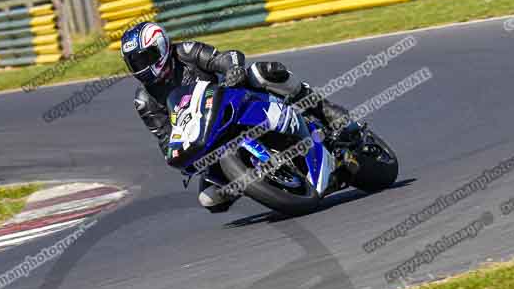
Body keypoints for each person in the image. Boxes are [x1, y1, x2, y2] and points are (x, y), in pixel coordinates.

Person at [120, 22, 353, 213]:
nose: (141, 67)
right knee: (209, 198)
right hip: (207, 139)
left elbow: (225, 57)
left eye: (145, 58)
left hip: (236, 102)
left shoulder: (185, 52)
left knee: (264, 71)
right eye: (134, 63)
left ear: (161, 48)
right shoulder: (144, 100)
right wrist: (179, 157)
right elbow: (165, 139)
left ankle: (322, 108)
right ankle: (257, 180)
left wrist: (233, 70)